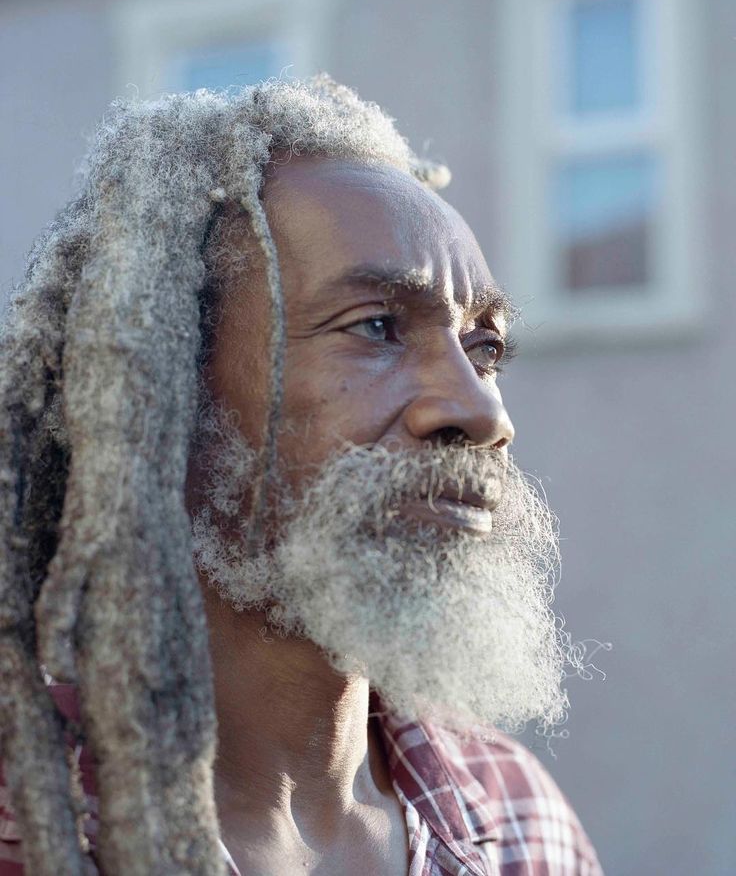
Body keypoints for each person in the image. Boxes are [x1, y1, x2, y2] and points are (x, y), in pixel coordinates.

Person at [0, 76, 603, 875]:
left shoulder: (519, 819)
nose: (483, 412)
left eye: (484, 347)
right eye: (378, 327)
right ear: (161, 388)